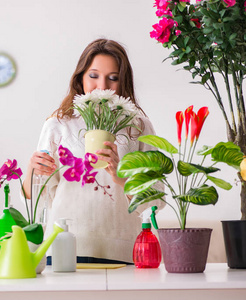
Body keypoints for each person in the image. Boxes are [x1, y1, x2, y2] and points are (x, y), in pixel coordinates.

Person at [22, 38, 164, 264]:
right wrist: (32, 168)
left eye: (113, 78)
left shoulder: (139, 126)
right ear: (80, 77)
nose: (102, 86)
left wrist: (121, 177)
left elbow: (155, 198)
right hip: (63, 247)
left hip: (123, 248)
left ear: (123, 80)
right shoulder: (58, 124)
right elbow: (34, 198)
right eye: (94, 75)